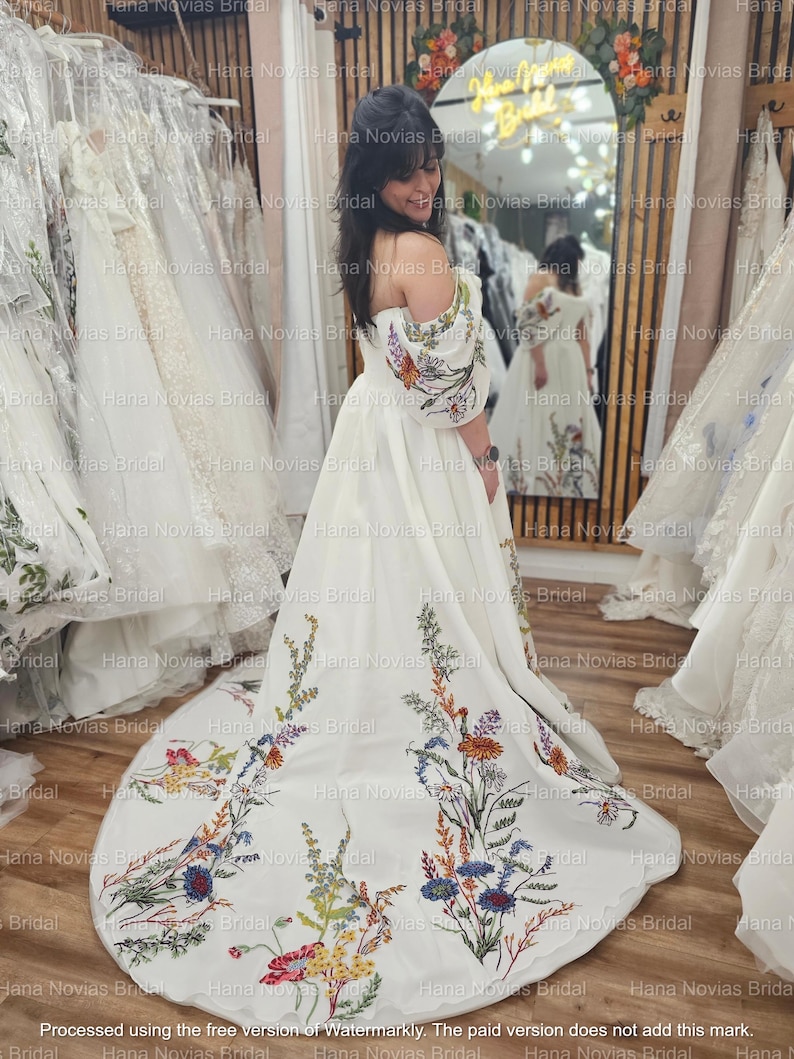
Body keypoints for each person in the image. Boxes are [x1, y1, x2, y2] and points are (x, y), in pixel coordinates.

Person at [90, 84, 680, 1030]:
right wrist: (487, 460)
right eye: (407, 166)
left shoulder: (361, 248)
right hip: (426, 451)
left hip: (369, 444)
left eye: (432, 162)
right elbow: (454, 393)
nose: (424, 180)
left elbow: (399, 364)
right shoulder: (429, 253)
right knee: (439, 600)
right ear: (376, 169)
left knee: (368, 600)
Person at [489, 235, 602, 498]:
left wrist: (588, 372)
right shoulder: (540, 279)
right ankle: (532, 480)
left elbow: (582, 334)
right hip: (542, 354)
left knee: (566, 416)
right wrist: (539, 363)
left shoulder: (574, 289)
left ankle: (563, 481)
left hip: (570, 360)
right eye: (575, 260)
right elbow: (527, 324)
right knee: (537, 413)